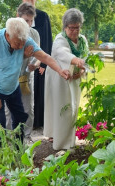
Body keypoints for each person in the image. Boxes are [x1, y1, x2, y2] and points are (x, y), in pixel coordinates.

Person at [0, 17, 69, 143]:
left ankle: (19, 147)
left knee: (20, 117)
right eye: (18, 43)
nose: (22, 46)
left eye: (23, 42)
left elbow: (45, 57)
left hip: (12, 86)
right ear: (8, 35)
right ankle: (0, 154)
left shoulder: (24, 39)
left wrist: (60, 70)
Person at [43, 8, 89, 151]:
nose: (75, 31)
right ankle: (60, 141)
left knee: (73, 107)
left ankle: (69, 138)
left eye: (77, 27)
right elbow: (63, 54)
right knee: (61, 109)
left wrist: (81, 71)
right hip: (59, 80)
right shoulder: (60, 39)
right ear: (65, 27)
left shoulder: (82, 40)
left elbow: (87, 56)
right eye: (71, 28)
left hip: (75, 79)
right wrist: (77, 61)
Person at [5, 2, 41, 143]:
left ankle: (26, 135)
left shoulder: (34, 34)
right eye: (26, 20)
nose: (29, 24)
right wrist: (24, 56)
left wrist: (36, 65)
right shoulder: (10, 32)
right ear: (17, 17)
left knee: (28, 108)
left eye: (31, 21)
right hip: (10, 78)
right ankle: (8, 136)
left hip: (26, 78)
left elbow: (39, 55)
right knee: (8, 110)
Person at [22, 0, 53, 129]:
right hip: (20, 67)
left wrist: (42, 64)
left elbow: (46, 42)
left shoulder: (43, 16)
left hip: (39, 63)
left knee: (37, 92)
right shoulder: (18, 17)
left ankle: (37, 121)